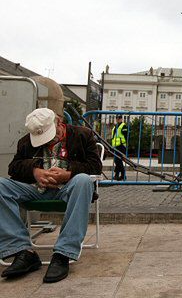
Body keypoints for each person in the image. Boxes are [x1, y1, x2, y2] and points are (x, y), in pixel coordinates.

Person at [0, 108, 102, 283]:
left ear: (59, 123)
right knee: (0, 185)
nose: (46, 142)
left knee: (84, 180)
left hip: (68, 189)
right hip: (35, 190)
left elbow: (95, 167)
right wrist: (35, 171)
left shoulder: (83, 135)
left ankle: (63, 253)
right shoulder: (26, 142)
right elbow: (13, 168)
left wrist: (69, 173)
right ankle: (22, 251)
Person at [111, 115, 128, 181]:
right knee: (118, 160)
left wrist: (123, 144)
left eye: (119, 118)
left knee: (117, 160)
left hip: (121, 145)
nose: (117, 119)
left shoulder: (123, 126)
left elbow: (126, 136)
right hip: (116, 146)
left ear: (121, 119)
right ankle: (118, 175)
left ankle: (121, 175)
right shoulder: (116, 126)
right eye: (117, 118)